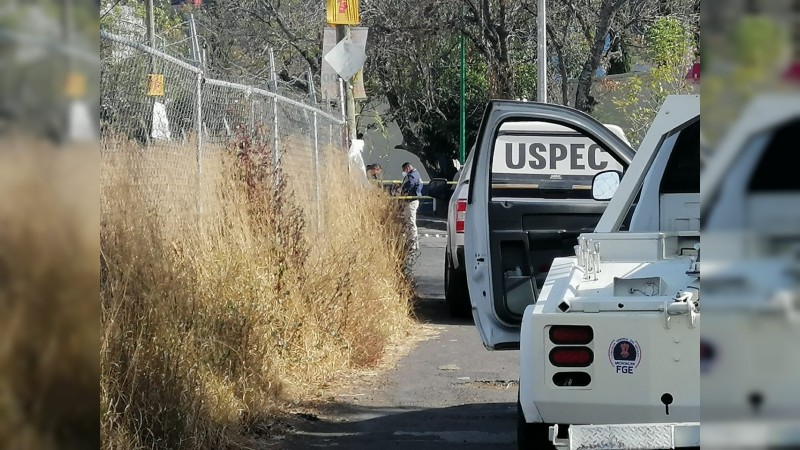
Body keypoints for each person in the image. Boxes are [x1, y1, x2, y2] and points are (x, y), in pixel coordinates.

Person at [400, 162, 423, 251]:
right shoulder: (416, 174)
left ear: (407, 168)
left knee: (410, 222)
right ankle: (412, 243)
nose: (404, 172)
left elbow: (408, 185)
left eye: (404, 170)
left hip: (411, 201)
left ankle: (413, 244)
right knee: (409, 221)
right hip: (412, 201)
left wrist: (402, 190)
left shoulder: (412, 175)